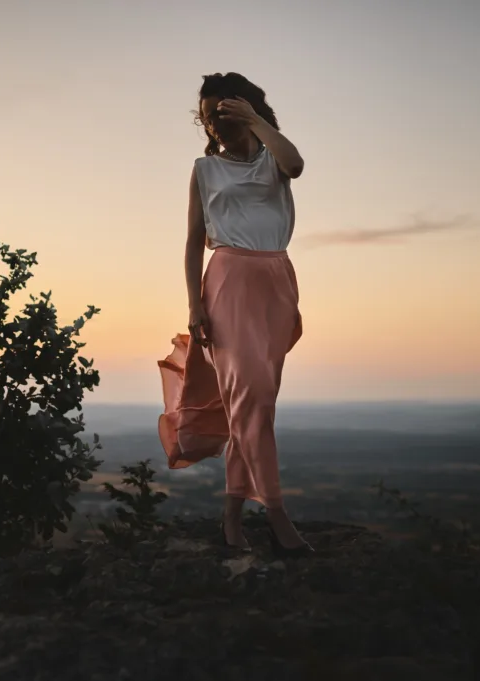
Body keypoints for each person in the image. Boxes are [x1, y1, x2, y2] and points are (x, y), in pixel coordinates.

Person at [157, 72, 315, 558]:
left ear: (245, 110)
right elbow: (190, 243)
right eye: (208, 118)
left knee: (255, 403)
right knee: (251, 397)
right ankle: (274, 512)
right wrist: (193, 305)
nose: (214, 124)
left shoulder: (274, 159)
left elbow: (297, 164)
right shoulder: (204, 171)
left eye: (222, 113)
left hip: (276, 282)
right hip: (226, 281)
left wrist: (254, 121)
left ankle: (230, 517)